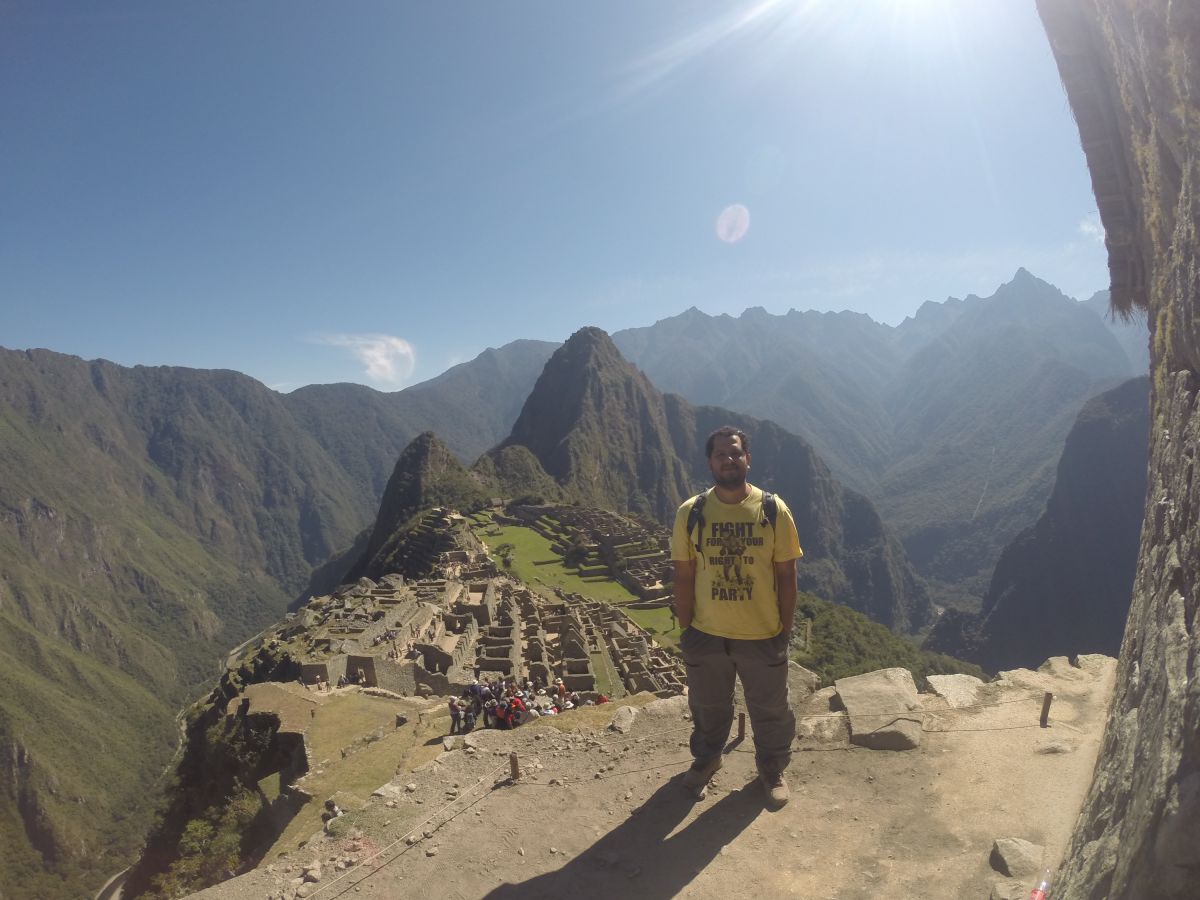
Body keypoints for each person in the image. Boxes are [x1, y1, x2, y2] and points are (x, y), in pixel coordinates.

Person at [671, 425, 802, 810]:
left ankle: (772, 769)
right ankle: (707, 759)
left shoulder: (773, 510)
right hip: (706, 633)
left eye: (735, 453)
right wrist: (687, 629)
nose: (728, 460)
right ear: (710, 462)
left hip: (761, 633)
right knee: (707, 707)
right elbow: (684, 574)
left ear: (748, 459)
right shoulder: (691, 512)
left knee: (770, 709)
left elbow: (786, 574)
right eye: (720, 454)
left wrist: (784, 629)